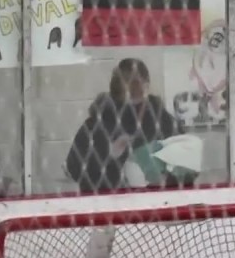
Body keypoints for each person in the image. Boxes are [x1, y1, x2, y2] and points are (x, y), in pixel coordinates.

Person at [65, 58, 185, 193]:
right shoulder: (96, 125)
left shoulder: (163, 122)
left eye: (138, 85)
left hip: (156, 200)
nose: (135, 89)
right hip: (109, 201)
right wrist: (109, 155)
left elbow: (186, 166)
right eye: (130, 84)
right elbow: (74, 169)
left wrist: (162, 174)